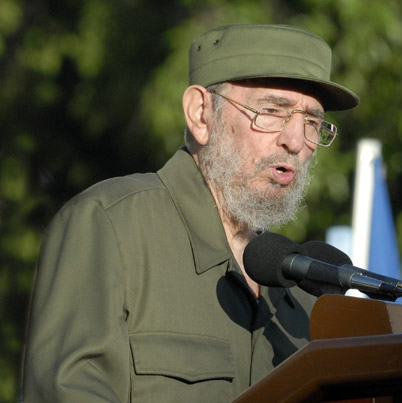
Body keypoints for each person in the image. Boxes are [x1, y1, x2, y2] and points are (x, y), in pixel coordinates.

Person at [22, 24, 358, 402]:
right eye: (272, 112)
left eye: (312, 123)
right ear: (201, 113)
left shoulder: (304, 287)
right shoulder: (111, 226)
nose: (296, 141)